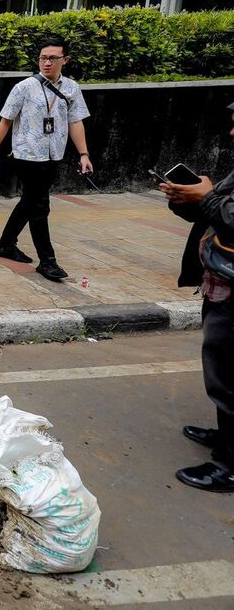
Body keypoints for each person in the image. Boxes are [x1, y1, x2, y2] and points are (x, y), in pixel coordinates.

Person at [159, 103, 234, 492]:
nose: (233, 134)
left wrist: (206, 196)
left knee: (229, 376)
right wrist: (187, 198)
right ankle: (225, 437)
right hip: (222, 279)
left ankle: (230, 465)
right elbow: (217, 214)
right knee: (220, 367)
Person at [0, 36, 92, 281]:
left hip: (54, 154)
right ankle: (47, 261)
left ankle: (5, 244)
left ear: (65, 60)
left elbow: (76, 122)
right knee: (40, 205)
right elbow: (5, 121)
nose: (47, 63)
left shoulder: (72, 88)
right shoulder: (24, 87)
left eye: (53, 58)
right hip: (27, 154)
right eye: (43, 58)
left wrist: (84, 154)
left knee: (30, 202)